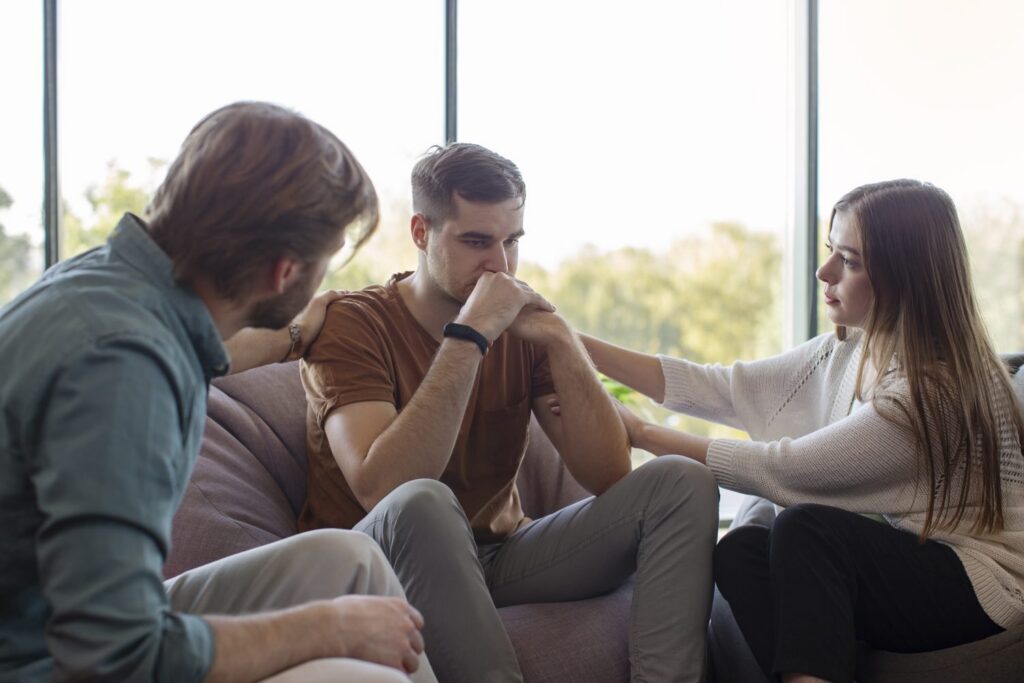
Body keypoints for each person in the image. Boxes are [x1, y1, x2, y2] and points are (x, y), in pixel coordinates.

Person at [0, 101, 436, 683]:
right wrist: (331, 629)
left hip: (57, 622)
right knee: (364, 675)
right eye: (324, 262)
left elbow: (208, 352)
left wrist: (299, 333)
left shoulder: (108, 286)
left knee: (346, 558)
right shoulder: (125, 367)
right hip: (45, 659)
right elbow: (113, 655)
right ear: (285, 272)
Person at [298, 142, 720, 682]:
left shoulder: (520, 323)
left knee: (681, 482)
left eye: (511, 241)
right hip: (378, 559)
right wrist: (470, 335)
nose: (499, 264)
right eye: (476, 241)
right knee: (424, 501)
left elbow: (610, 475)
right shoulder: (356, 324)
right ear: (421, 233)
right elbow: (384, 487)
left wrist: (563, 344)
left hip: (496, 557)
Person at [582, 179, 1024, 683]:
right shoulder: (851, 348)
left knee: (806, 528)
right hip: (917, 558)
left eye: (850, 261)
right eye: (831, 250)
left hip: (980, 584)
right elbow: (722, 388)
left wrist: (642, 432)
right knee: (742, 553)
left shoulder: (933, 392)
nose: (823, 271)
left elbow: (785, 470)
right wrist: (573, 343)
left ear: (907, 277)